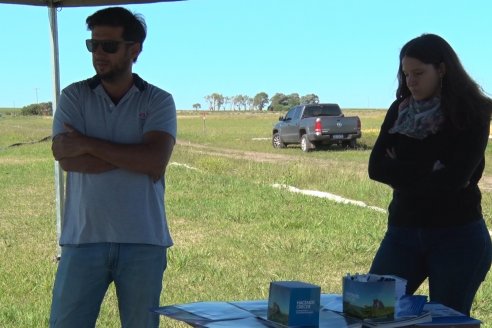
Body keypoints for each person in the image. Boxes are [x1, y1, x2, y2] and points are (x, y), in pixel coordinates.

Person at [49, 7, 176, 328]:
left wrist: (89, 144)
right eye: (93, 46)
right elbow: (67, 159)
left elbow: (154, 160)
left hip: (144, 240)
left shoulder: (158, 101)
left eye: (109, 46)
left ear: (134, 50)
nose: (98, 54)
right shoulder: (74, 96)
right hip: (82, 238)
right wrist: (133, 156)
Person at [368, 33, 492, 315]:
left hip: (458, 236)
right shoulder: (399, 110)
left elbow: (455, 179)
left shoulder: (474, 111)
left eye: (419, 73)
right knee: (370, 311)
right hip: (402, 231)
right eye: (406, 74)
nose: (411, 81)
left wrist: (400, 167)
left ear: (442, 69)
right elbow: (376, 169)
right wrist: (434, 165)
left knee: (446, 322)